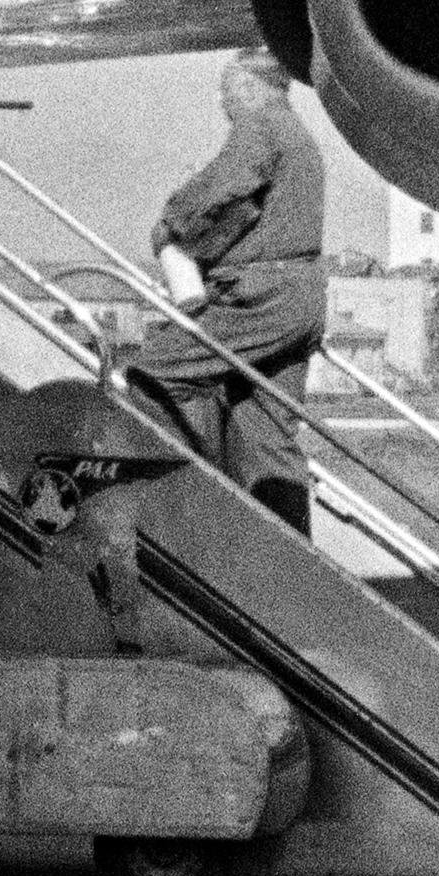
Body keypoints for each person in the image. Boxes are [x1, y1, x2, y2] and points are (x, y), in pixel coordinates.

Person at [137, 52, 326, 532]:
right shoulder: (300, 139)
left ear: (252, 87)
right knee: (263, 434)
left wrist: (172, 224)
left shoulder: (260, 127)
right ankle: (293, 565)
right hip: (302, 298)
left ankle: (205, 508)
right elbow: (246, 213)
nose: (220, 100)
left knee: (156, 374)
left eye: (226, 88)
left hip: (261, 297)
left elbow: (222, 185)